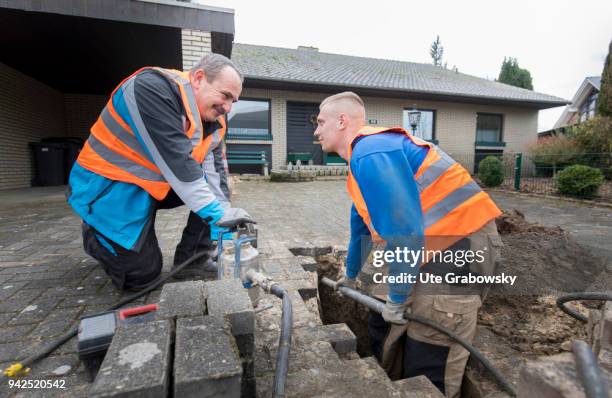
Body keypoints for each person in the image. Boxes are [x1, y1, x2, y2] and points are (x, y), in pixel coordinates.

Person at [313, 91, 503, 398]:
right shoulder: (363, 160)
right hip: (432, 243)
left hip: (462, 245)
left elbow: (404, 230)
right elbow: (360, 227)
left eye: (321, 122)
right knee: (384, 322)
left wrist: (399, 297)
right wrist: (350, 275)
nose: (316, 131)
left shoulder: (370, 151)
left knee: (430, 344)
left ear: (342, 121)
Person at [66, 53, 249, 291]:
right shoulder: (150, 89)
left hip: (153, 185)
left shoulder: (216, 122)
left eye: (233, 102)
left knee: (216, 198)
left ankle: (193, 259)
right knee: (142, 277)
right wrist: (217, 215)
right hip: (108, 189)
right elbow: (179, 163)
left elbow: (216, 177)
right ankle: (96, 232)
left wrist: (222, 220)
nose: (226, 108)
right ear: (199, 78)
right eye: (225, 96)